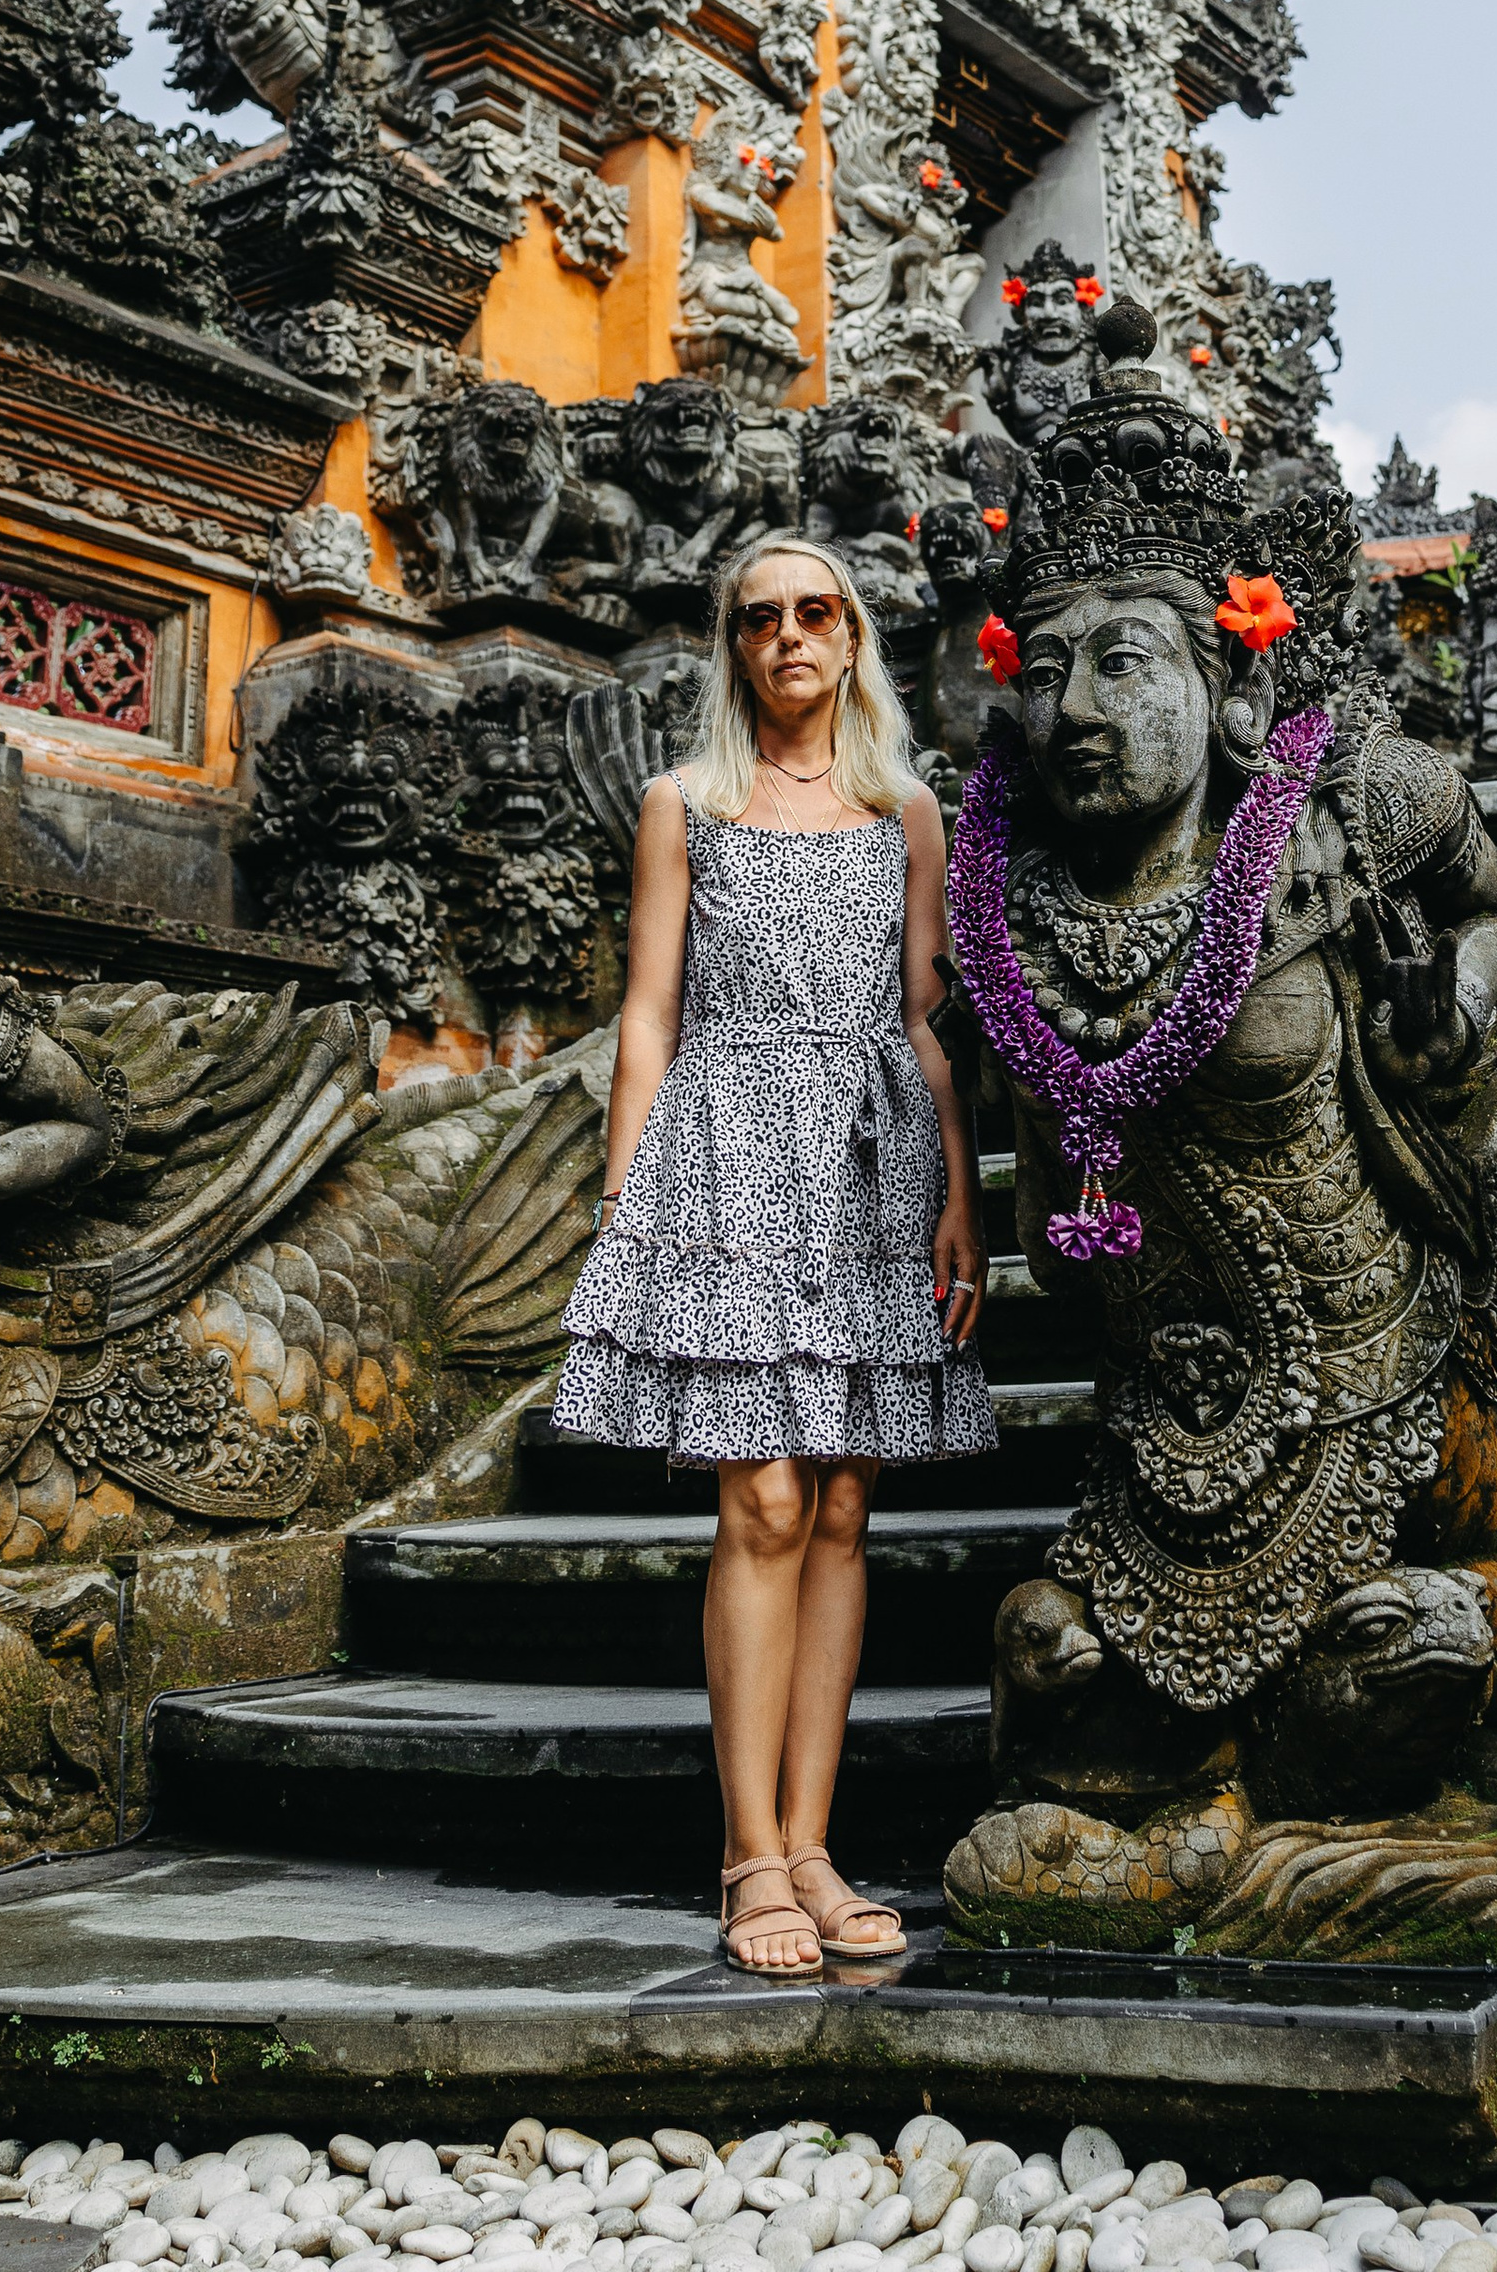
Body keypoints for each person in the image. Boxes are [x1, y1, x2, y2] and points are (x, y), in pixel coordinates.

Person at [555, 535, 993, 1976]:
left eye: (816, 614)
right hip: (727, 1146)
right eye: (762, 620)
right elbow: (646, 1015)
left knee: (847, 1507)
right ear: (733, 647)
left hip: (874, 1158)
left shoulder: (906, 811)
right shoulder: (684, 803)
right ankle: (750, 1859)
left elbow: (929, 1019)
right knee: (760, 1500)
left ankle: (815, 1845)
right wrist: (629, 1202)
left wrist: (960, 1201)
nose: (791, 637)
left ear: (853, 637)